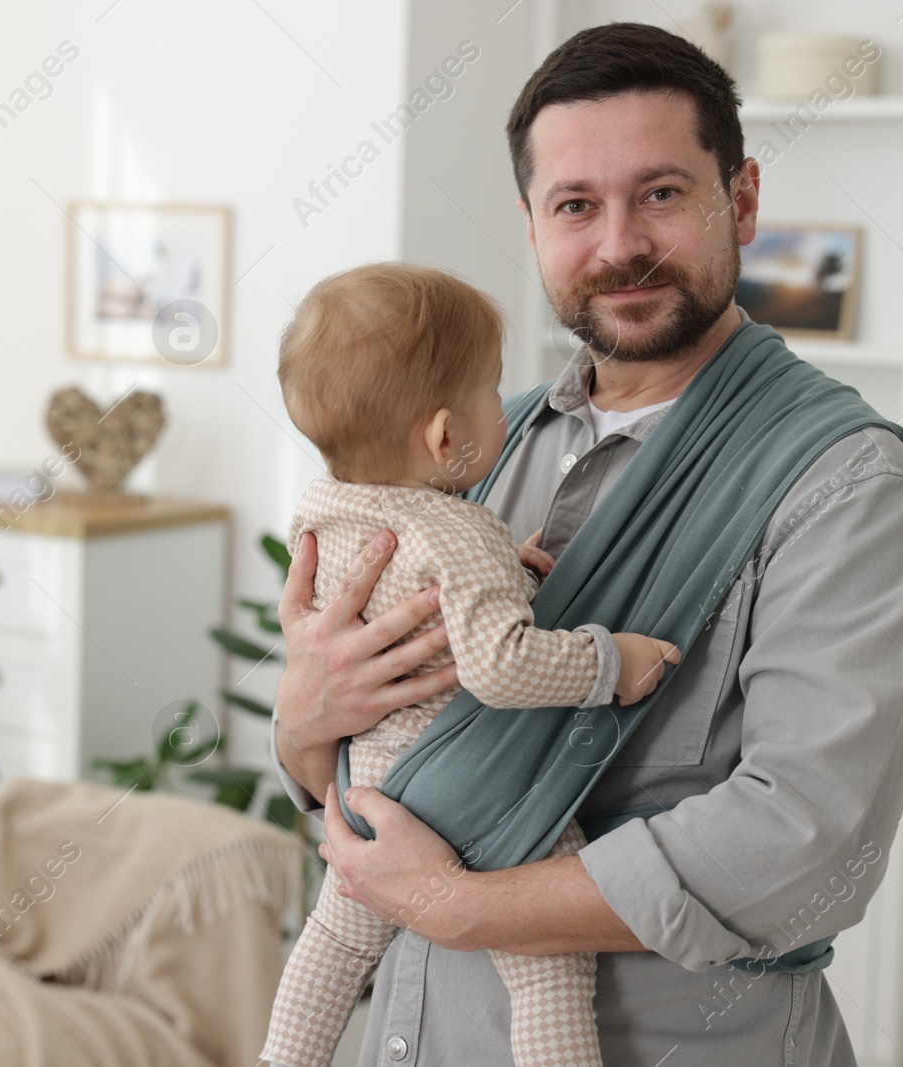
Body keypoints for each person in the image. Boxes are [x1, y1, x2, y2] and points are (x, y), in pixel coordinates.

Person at [270, 21, 903, 1067]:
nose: (619, 242)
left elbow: (806, 845)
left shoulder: (847, 483)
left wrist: (457, 903)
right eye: (576, 205)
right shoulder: (459, 459)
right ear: (533, 225)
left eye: (663, 194)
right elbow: (368, 759)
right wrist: (303, 722)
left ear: (745, 199)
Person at [260, 262, 680, 1067]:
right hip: (467, 790)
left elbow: (400, 590)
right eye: (491, 389)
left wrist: (500, 570)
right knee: (549, 967)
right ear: (447, 437)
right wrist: (609, 662)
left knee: (332, 945)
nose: (505, 404)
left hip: (365, 792)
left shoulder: (326, 506)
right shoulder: (460, 534)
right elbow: (499, 666)